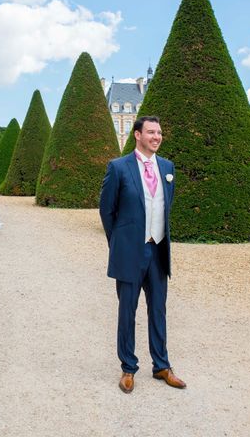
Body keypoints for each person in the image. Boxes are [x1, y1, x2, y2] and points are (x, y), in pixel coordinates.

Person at [99, 116, 186, 394]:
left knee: (158, 309)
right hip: (129, 252)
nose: (157, 136)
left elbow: (165, 206)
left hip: (159, 250)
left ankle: (161, 365)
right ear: (137, 135)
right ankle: (128, 368)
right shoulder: (118, 167)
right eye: (151, 132)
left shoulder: (167, 167)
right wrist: (119, 242)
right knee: (127, 311)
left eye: (159, 132)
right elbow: (106, 211)